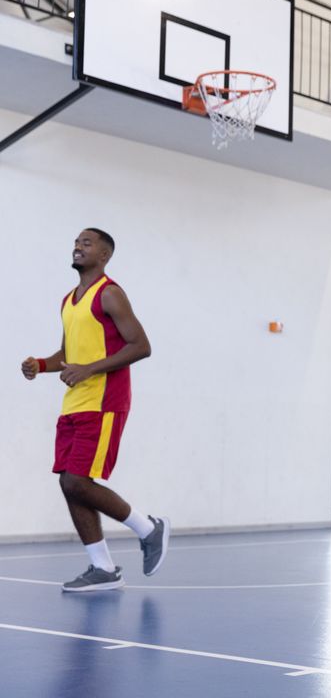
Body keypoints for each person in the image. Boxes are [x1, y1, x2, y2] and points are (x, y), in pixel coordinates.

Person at [21, 228, 170, 592]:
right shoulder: (69, 300)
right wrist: (41, 364)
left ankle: (149, 529)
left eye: (86, 243)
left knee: (76, 481)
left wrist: (88, 369)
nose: (77, 246)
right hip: (73, 404)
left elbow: (141, 346)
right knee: (70, 484)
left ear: (104, 255)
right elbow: (69, 355)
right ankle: (102, 567)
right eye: (75, 242)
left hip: (104, 402)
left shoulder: (111, 294)